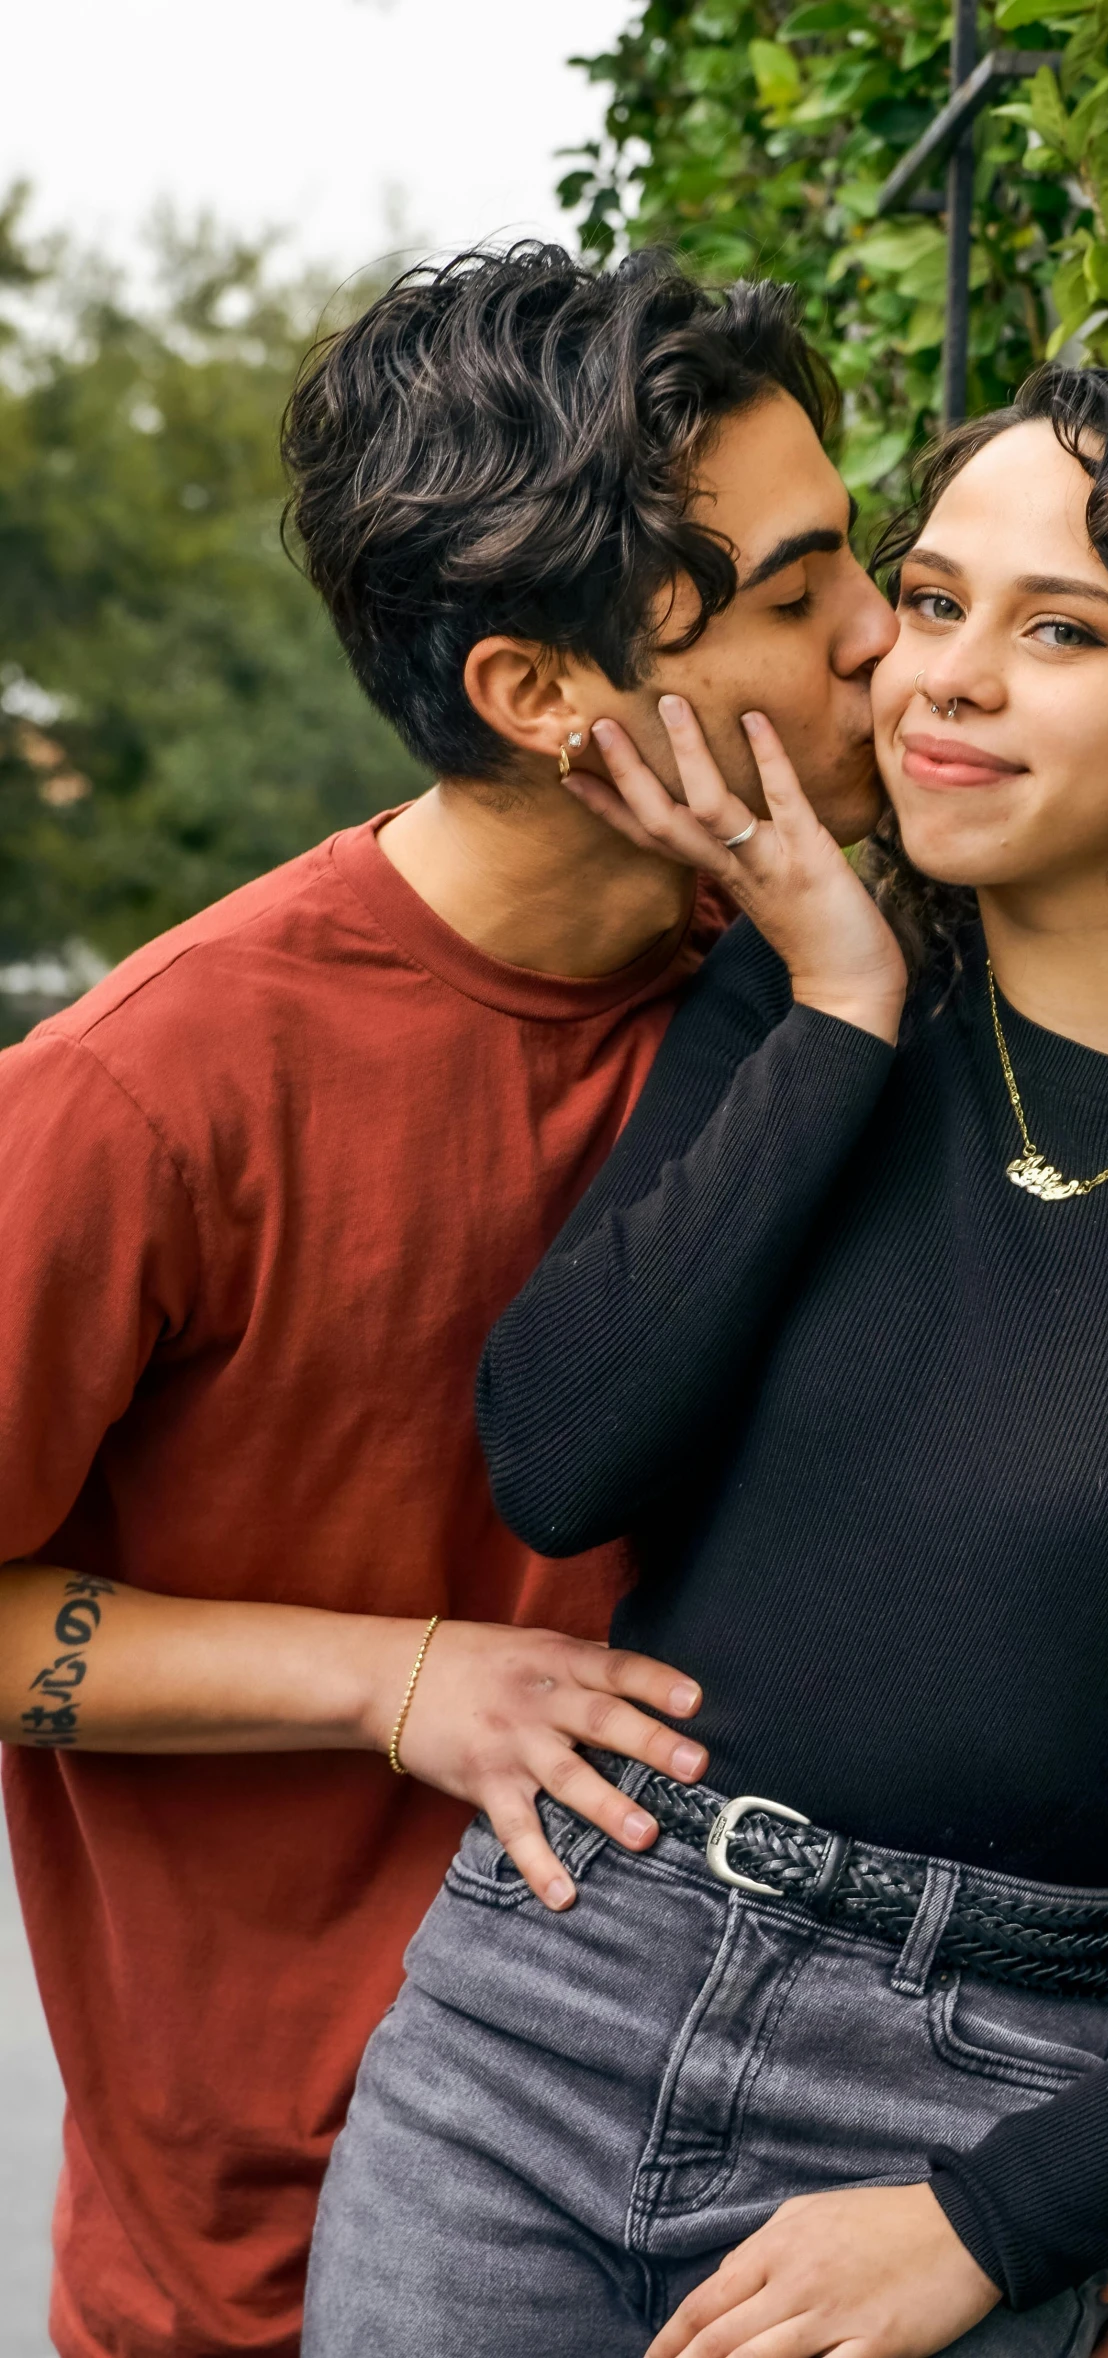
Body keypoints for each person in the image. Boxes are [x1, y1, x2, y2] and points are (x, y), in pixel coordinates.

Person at [304, 363, 1108, 2358]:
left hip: (964, 2112)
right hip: (533, 2033)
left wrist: (1000, 2222)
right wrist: (841, 1000)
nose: (945, 675)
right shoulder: (795, 1000)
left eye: (1059, 629)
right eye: (933, 599)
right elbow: (560, 1454)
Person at [0, 242, 903, 2358]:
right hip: (288, 2269)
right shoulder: (146, 1095)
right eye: (792, 599)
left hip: (768, 2235)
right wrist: (392, 1677)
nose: (884, 639)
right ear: (539, 692)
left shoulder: (834, 989)